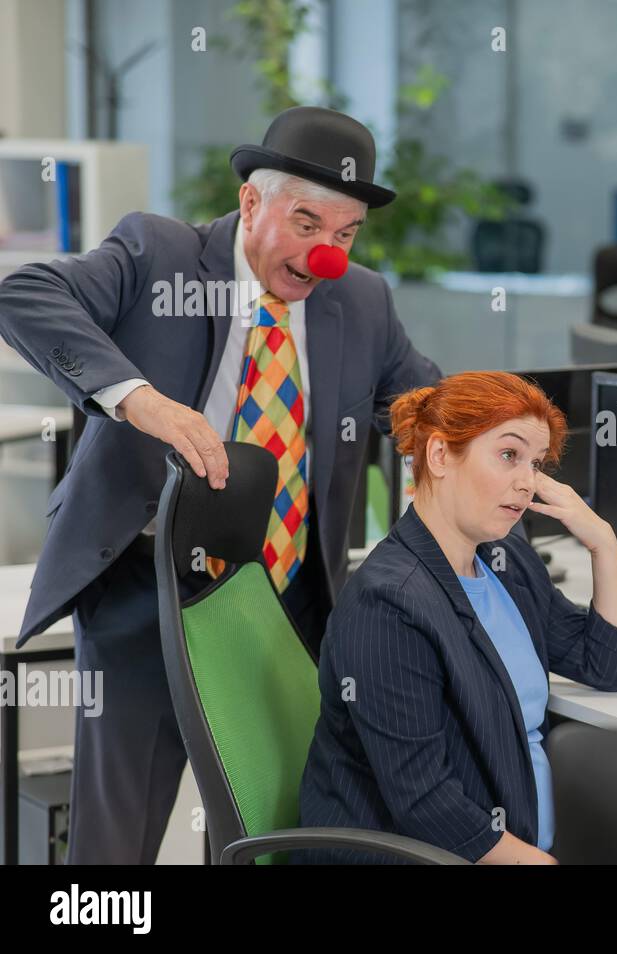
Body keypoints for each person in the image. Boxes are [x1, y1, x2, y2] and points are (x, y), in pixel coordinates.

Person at [0, 106, 441, 864]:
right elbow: (23, 294)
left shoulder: (361, 300)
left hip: (291, 604)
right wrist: (140, 399)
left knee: (279, 830)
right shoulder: (160, 253)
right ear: (250, 202)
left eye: (345, 235)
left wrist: (504, 436)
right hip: (152, 590)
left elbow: (425, 414)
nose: (327, 254)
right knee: (116, 843)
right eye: (306, 223)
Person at [298, 372, 617, 863]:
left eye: (536, 463)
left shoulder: (507, 563)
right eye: (509, 455)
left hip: (526, 841)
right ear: (440, 455)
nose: (527, 481)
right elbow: (427, 803)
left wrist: (602, 542)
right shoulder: (388, 604)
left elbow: (611, 668)